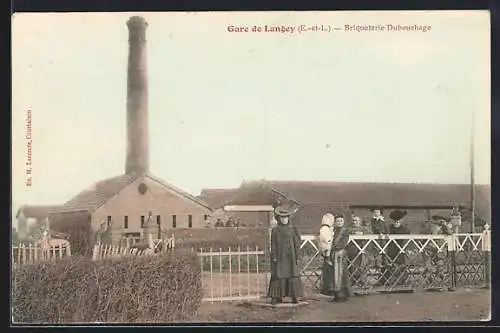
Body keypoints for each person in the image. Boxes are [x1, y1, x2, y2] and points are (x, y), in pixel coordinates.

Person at [267, 204, 303, 305]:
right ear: (279, 218)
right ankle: (276, 296)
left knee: (292, 275)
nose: (284, 220)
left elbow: (297, 243)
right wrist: (274, 256)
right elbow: (273, 244)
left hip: (290, 257)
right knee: (278, 276)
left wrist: (297, 256)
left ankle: (294, 296)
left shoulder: (292, 229)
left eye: (286, 217)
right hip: (280, 257)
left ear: (288, 218)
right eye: (282, 218)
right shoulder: (275, 230)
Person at [329, 214, 353, 302]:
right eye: (338, 221)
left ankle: (343, 295)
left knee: (341, 274)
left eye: (341, 221)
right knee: (334, 274)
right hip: (333, 254)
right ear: (335, 222)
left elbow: (343, 242)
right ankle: (336, 295)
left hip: (340, 253)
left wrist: (334, 247)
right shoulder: (332, 230)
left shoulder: (345, 231)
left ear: (343, 222)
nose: (339, 222)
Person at [384, 210, 411, 287]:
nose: (396, 222)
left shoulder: (405, 230)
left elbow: (407, 241)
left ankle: (401, 281)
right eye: (394, 220)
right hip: (391, 250)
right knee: (390, 265)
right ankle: (390, 281)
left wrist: (406, 249)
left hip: (401, 250)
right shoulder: (389, 229)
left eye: (398, 220)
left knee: (401, 265)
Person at [346, 215, 371, 289]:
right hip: (352, 250)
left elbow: (370, 234)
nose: (355, 222)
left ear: (360, 221)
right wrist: (353, 233)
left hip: (361, 250)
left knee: (362, 266)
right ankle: (352, 282)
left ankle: (362, 282)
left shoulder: (364, 229)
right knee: (351, 267)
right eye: (354, 220)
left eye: (357, 220)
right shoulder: (349, 229)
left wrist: (362, 234)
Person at [318, 213, 335, 295]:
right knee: (328, 270)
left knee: (328, 270)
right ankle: (327, 288)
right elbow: (328, 241)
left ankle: (328, 288)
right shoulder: (324, 229)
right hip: (327, 252)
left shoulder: (327, 228)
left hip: (327, 251)